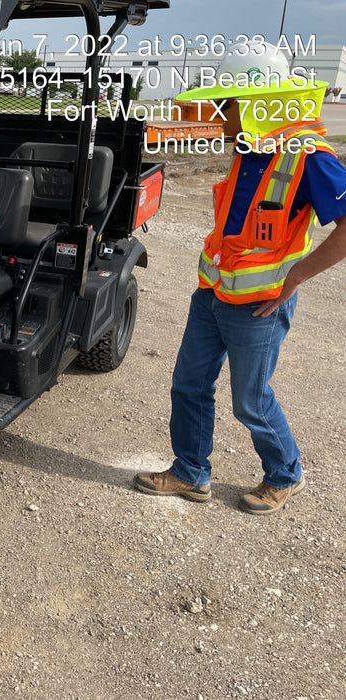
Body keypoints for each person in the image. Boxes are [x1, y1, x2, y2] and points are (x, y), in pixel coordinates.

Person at [134, 41, 346, 515]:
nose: (220, 112)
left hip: (261, 305)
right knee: (189, 385)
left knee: (250, 402)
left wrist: (296, 276)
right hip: (211, 294)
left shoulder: (309, 154)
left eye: (226, 104)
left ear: (258, 103)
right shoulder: (251, 145)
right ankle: (190, 472)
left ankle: (285, 473)